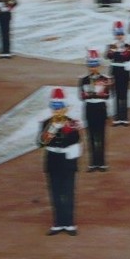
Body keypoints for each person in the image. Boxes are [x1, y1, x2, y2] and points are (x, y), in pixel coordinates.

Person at [38, 88, 81, 236]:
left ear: (64, 107)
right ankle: (58, 223)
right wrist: (53, 127)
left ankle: (69, 223)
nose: (57, 111)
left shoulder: (72, 123)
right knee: (55, 192)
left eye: (60, 107)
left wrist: (64, 128)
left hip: (67, 160)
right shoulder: (46, 123)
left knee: (68, 192)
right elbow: (40, 142)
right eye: (55, 107)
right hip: (53, 160)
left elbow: (75, 139)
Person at [78, 49, 112, 172]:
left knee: (101, 136)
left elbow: (107, 95)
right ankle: (92, 163)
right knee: (90, 136)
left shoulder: (105, 79)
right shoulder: (84, 79)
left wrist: (92, 94)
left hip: (100, 108)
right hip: (89, 108)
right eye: (91, 65)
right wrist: (95, 94)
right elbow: (81, 96)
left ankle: (101, 162)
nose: (93, 68)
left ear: (99, 65)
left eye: (95, 65)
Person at [106, 21, 130, 126]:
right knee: (116, 95)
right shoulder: (111, 45)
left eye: (121, 34)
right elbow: (108, 56)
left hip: (124, 71)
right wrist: (116, 51)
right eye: (117, 34)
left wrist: (118, 53)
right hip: (115, 71)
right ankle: (117, 117)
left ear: (124, 35)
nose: (119, 37)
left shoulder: (128, 46)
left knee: (124, 95)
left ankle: (124, 117)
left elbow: (128, 57)